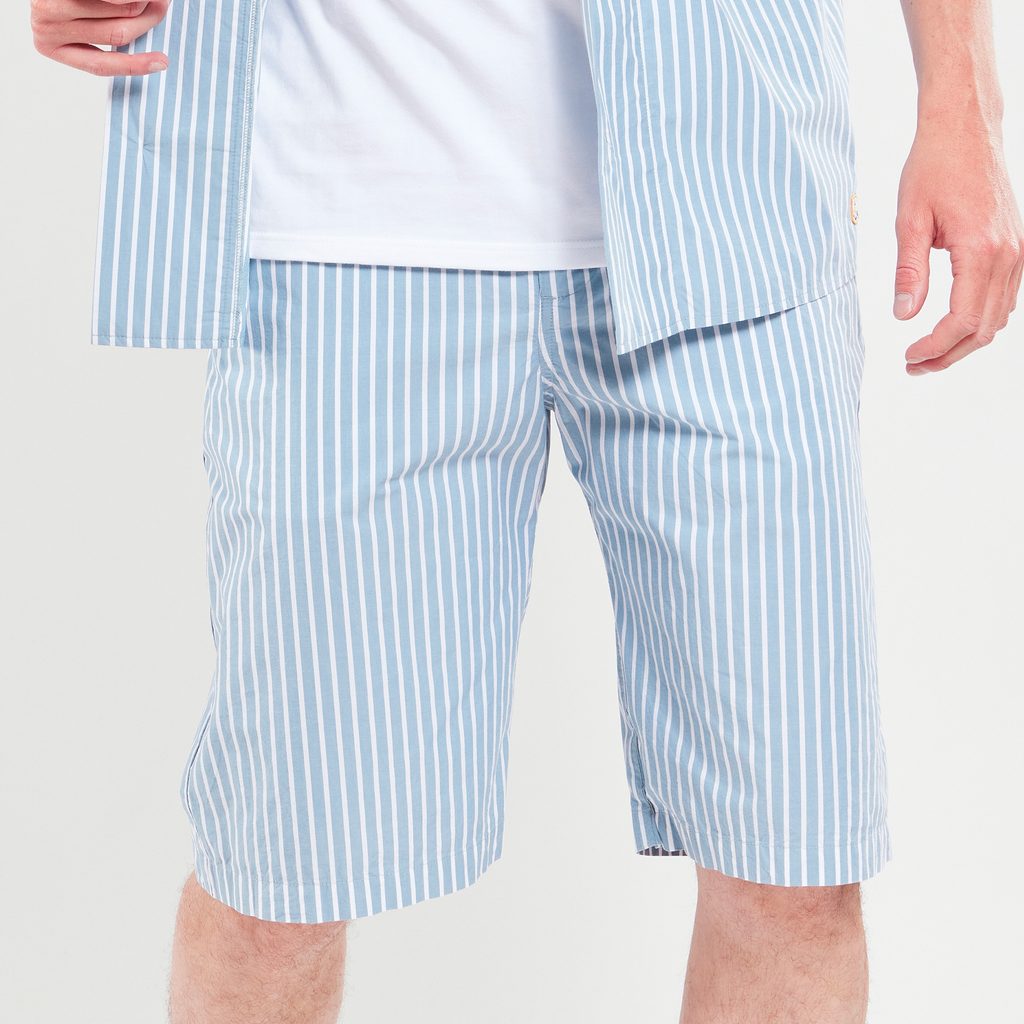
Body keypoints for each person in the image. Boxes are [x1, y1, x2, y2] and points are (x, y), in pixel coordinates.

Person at [30, 0, 1022, 1020]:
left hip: (732, 194)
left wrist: (964, 102)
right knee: (278, 876)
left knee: (793, 862)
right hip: (338, 229)